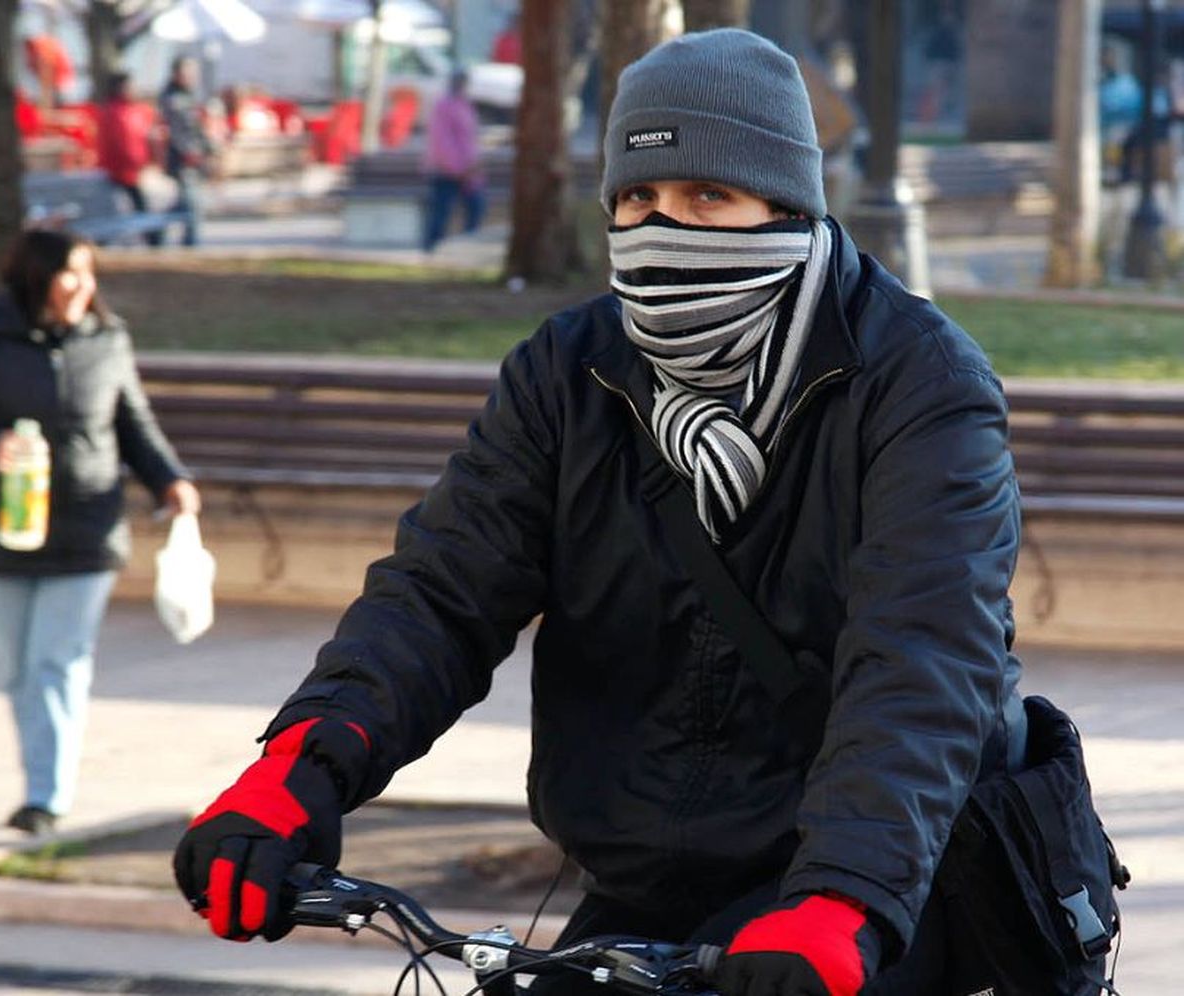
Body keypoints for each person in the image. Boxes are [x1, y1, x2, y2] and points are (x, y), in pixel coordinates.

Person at [174, 30, 1028, 996]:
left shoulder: (917, 380)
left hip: (867, 889)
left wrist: (842, 896)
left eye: (708, 196)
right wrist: (303, 767)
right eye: (639, 198)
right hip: (644, 889)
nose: (665, 230)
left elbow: (923, 656)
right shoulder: (569, 369)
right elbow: (443, 591)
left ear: (786, 206)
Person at [0, 229, 200, 836]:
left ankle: (46, 796)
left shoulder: (107, 339)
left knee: (57, 661)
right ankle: (39, 782)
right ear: (36, 277)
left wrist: (170, 481)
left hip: (88, 525)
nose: (83, 286)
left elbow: (133, 423)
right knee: (21, 668)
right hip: (9, 528)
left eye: (88, 273)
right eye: (70, 274)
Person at [421, 70, 486, 253]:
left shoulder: (465, 105)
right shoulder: (443, 106)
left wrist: (473, 164)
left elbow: (470, 140)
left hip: (469, 173)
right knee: (440, 213)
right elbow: (441, 141)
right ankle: (432, 250)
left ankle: (467, 248)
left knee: (476, 207)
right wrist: (457, 167)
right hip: (445, 171)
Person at [95, 72, 160, 245]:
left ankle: (153, 239)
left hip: (131, 169)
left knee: (136, 206)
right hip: (119, 170)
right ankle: (153, 240)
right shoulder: (114, 112)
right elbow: (120, 142)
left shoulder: (134, 110)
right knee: (129, 207)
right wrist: (135, 161)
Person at [157, 57, 214, 247]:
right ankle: (191, 243)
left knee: (185, 203)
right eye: (187, 73)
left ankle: (157, 229)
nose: (192, 77)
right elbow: (175, 130)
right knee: (192, 203)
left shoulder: (189, 95)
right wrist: (189, 152)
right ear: (176, 74)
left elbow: (197, 128)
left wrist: (208, 148)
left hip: (194, 157)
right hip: (182, 158)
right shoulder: (171, 98)